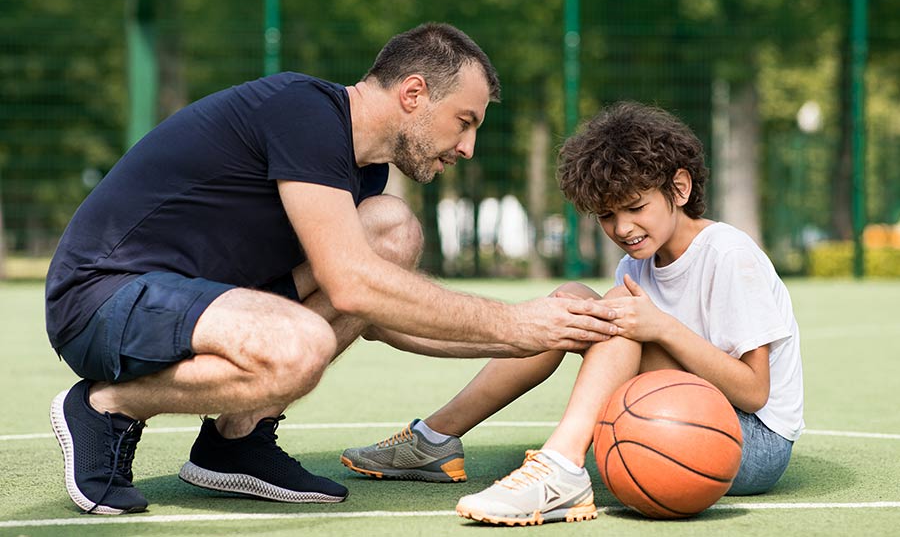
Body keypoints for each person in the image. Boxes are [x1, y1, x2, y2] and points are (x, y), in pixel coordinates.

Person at [45, 23, 618, 515]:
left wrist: (541, 337)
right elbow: (352, 284)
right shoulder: (305, 111)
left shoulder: (361, 171)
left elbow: (378, 313)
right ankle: (105, 406)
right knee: (300, 345)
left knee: (391, 230)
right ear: (414, 93)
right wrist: (514, 322)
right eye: (463, 121)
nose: (467, 147)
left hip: (195, 298)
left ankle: (234, 441)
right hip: (103, 297)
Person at [341, 101, 804, 526]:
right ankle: (435, 439)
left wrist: (662, 327)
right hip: (677, 413)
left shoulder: (727, 254)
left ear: (679, 188)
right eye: (606, 216)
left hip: (749, 441)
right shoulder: (636, 266)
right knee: (571, 302)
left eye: (636, 207)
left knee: (615, 318)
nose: (622, 228)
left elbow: (754, 391)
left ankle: (561, 468)